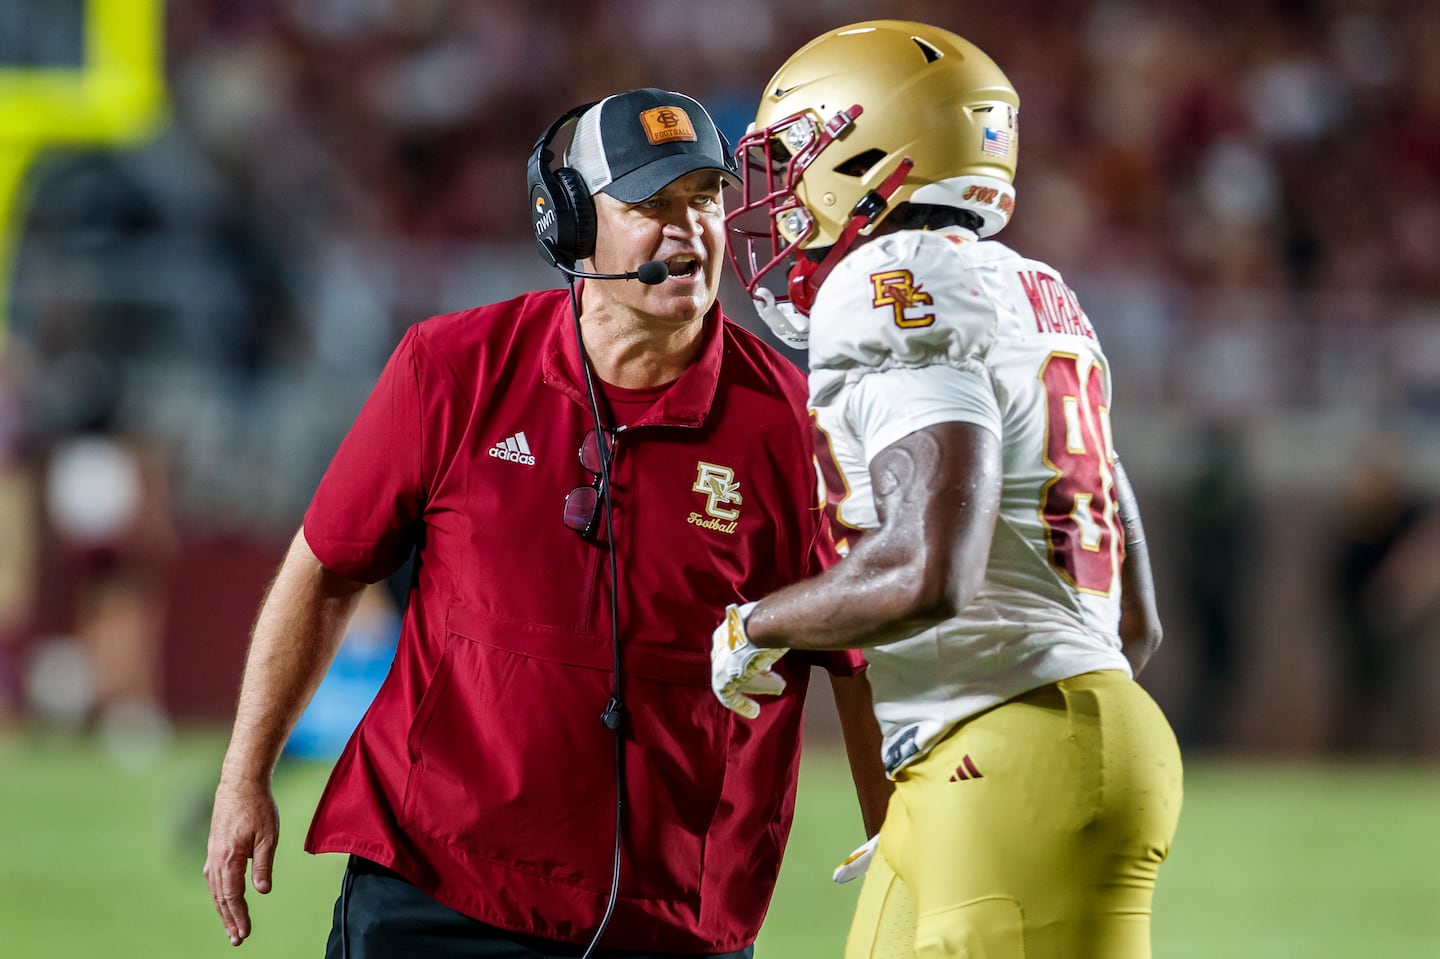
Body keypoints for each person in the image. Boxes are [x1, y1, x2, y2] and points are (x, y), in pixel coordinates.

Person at [204, 87, 890, 959]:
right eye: (650, 205)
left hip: (671, 919)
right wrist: (244, 774)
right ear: (570, 224)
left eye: (704, 199)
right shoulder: (450, 368)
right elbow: (326, 569)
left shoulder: (799, 426)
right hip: (435, 890)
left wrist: (907, 869)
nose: (688, 231)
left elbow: (861, 661)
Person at [711, 22, 1183, 959]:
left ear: (869, 154)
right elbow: (1134, 621)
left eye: (793, 157)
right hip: (993, 753)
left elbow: (930, 567)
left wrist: (753, 624)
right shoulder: (1038, 288)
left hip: (1011, 758)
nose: (780, 194)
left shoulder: (887, 277)